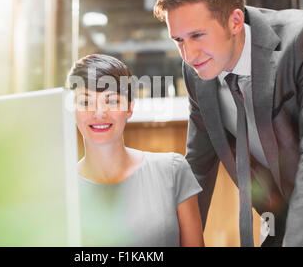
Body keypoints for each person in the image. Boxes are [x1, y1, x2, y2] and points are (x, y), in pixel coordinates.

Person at [153, 0, 303, 247]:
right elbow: (198, 167)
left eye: (197, 35)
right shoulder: (198, 72)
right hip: (281, 218)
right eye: (178, 40)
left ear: (235, 21)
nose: (189, 55)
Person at [66, 54, 204, 247]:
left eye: (111, 101)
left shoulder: (172, 171)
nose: (99, 113)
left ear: (129, 108)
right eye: (86, 102)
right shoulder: (60, 190)